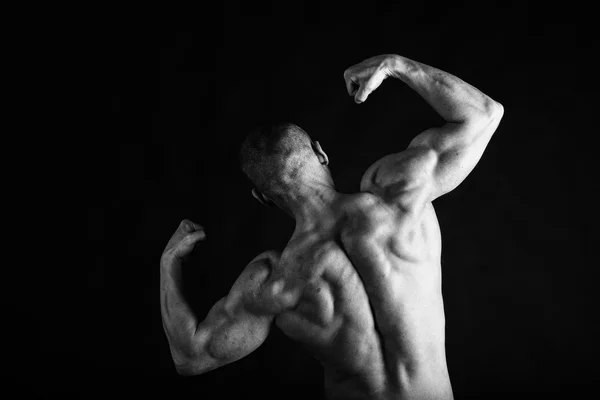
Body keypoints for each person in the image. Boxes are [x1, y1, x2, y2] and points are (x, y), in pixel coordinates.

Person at [160, 53, 504, 399]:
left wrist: (168, 262)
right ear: (320, 153)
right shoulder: (400, 196)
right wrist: (396, 65)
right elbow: (484, 114)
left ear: (262, 197)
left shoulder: (274, 280)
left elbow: (191, 356)